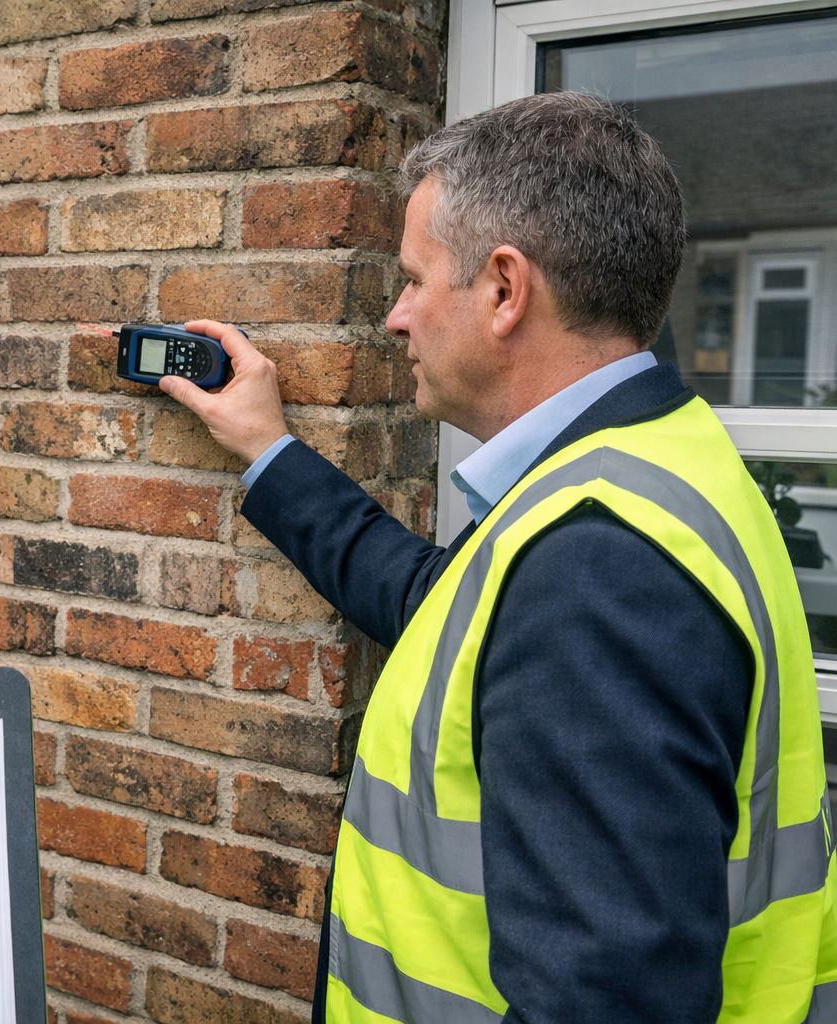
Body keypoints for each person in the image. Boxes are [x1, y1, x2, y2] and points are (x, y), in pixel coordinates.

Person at [162, 92, 836, 1024]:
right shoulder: (647, 463)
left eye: (413, 279)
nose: (396, 318)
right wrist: (270, 451)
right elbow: (444, 602)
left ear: (505, 289)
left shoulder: (600, 567)